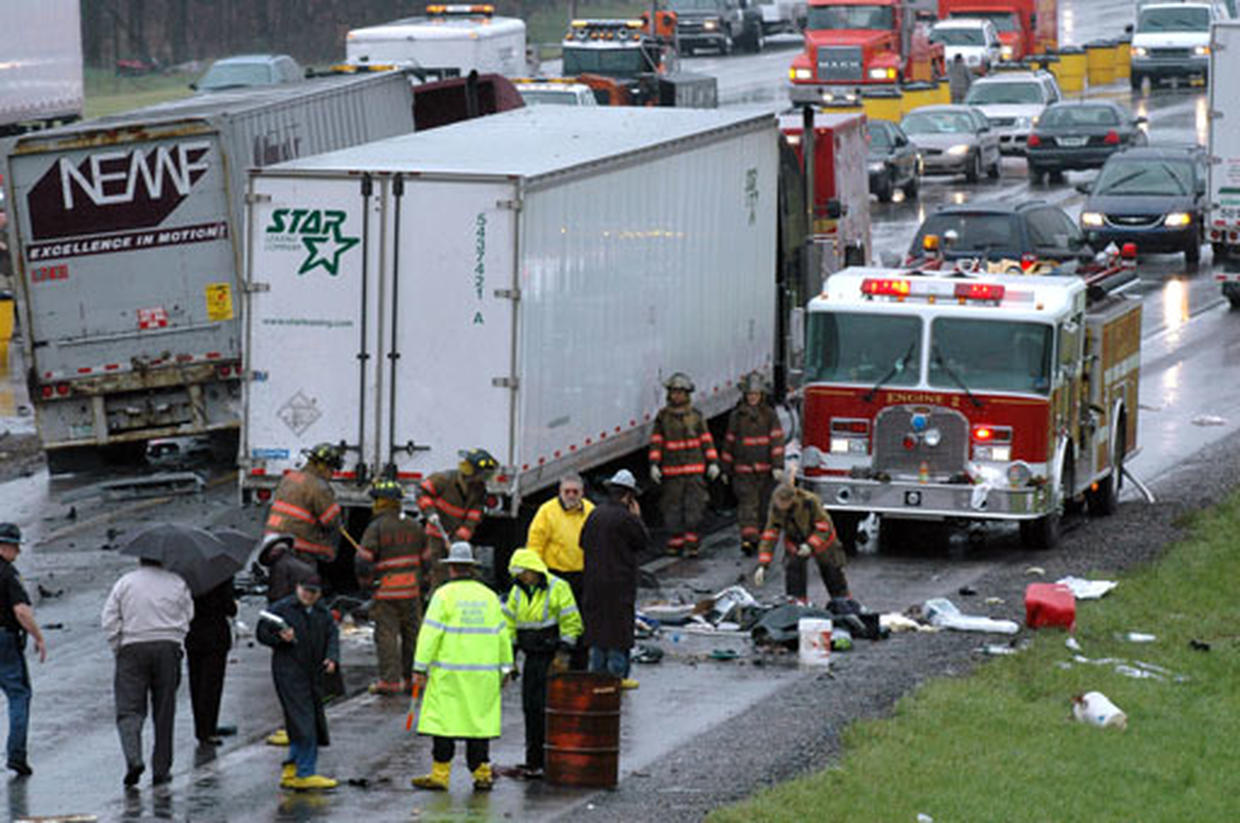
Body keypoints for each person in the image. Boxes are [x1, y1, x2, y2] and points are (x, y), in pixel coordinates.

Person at [410, 542, 513, 792]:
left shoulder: (443, 596)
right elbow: (503, 633)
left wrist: (419, 668)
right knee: (478, 726)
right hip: (483, 676)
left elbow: (430, 634)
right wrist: (506, 668)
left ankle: (440, 775)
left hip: (450, 674)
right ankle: (481, 773)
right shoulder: (488, 597)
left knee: (445, 724)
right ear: (472, 569)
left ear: (451, 568)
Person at [102, 555, 194, 788]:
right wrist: (176, 637)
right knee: (164, 711)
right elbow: (188, 615)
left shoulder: (125, 583)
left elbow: (110, 619)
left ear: (140, 559)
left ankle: (133, 758)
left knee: (129, 709)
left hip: (132, 648)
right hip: (168, 648)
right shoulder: (177, 582)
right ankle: (161, 770)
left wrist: (118, 646)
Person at [501, 548, 583, 779]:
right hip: (532, 657)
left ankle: (551, 759)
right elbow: (509, 624)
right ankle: (534, 760)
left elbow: (571, 621)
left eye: (524, 573)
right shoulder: (517, 592)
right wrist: (511, 657)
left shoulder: (558, 588)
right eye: (518, 574)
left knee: (549, 709)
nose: (522, 578)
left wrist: (563, 654)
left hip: (551, 656)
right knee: (531, 708)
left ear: (533, 570)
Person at [257, 576, 340, 791]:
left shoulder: (322, 612)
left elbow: (332, 634)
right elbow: (262, 632)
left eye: (313, 592)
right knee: (305, 722)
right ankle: (305, 772)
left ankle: (293, 769)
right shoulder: (282, 609)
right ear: (297, 588)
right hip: (289, 674)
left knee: (301, 721)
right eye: (305, 591)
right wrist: (279, 637)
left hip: (313, 674)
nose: (308, 596)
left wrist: (332, 657)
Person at [357, 478, 428, 695]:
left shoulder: (376, 527)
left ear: (380, 502)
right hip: (411, 591)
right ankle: (412, 679)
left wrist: (367, 585)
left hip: (386, 593)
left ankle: (389, 682)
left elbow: (363, 561)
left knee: (386, 635)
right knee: (412, 634)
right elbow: (426, 560)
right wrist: (422, 585)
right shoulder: (415, 526)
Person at [579, 470, 647, 689]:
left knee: (597, 631)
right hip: (619, 586)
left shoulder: (595, 515)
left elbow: (582, 542)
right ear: (628, 496)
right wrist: (637, 518)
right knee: (618, 632)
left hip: (593, 583)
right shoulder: (627, 519)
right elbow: (642, 541)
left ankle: (596, 676)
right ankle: (617, 678)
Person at [752, 484, 860, 611]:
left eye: (783, 504)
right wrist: (763, 565)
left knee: (832, 573)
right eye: (778, 503)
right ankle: (797, 606)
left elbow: (824, 528)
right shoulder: (776, 507)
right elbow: (770, 534)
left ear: (791, 499)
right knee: (794, 573)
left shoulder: (810, 502)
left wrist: (810, 545)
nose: (780, 508)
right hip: (795, 541)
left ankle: (844, 605)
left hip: (822, 540)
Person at [524, 473, 593, 668]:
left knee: (579, 621)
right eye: (567, 491)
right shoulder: (547, 512)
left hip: (582, 575)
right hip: (555, 575)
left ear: (582, 492)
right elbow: (535, 543)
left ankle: (578, 665)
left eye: (575, 491)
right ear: (560, 492)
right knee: (554, 621)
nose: (571, 495)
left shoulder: (590, 511)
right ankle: (553, 662)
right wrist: (536, 573)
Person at [648, 373, 720, 557]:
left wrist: (713, 462)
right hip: (672, 473)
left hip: (694, 472)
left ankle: (692, 544)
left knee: (694, 507)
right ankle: (676, 542)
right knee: (672, 508)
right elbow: (657, 442)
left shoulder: (696, 416)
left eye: (680, 392)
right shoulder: (663, 417)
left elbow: (706, 440)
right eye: (674, 392)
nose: (677, 396)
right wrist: (654, 465)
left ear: (687, 394)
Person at [256, 532, 314, 748]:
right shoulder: (300, 565)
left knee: (290, 685)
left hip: (290, 634)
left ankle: (294, 730)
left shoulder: (280, 569)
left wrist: (271, 633)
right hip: (306, 630)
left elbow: (277, 603)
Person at [722, 372, 786, 557]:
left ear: (761, 396)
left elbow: (776, 442)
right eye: (750, 395)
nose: (752, 398)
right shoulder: (737, 416)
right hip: (743, 471)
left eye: (756, 395)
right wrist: (725, 468)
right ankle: (749, 540)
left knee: (764, 506)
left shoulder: (769, 416)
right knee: (747, 505)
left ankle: (760, 537)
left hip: (766, 472)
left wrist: (777, 466)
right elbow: (729, 443)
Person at [0, 523, 46, 777]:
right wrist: (37, 636)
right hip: (4, 639)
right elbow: (20, 610)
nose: (17, 552)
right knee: (18, 695)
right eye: (15, 546)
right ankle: (16, 755)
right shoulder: (8, 573)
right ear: (4, 546)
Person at [416, 449, 498, 589]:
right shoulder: (444, 480)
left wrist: (459, 538)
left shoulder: (478, 490)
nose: (485, 479)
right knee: (437, 570)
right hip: (436, 534)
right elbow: (421, 492)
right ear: (473, 472)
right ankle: (434, 598)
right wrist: (430, 512)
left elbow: (474, 516)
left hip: (456, 535)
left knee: (463, 571)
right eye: (484, 475)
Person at [264, 442, 344, 565]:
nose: (332, 475)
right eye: (331, 469)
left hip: (272, 540)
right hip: (299, 545)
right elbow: (332, 522)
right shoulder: (319, 487)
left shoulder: (290, 477)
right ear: (322, 466)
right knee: (324, 555)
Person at [185, 577, 237, 746]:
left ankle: (202, 727)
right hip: (215, 636)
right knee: (212, 684)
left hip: (193, 635)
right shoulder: (221, 577)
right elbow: (230, 608)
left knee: (197, 682)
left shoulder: (187, 577)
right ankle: (208, 729)